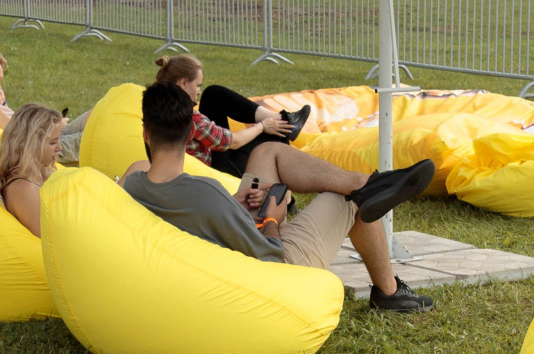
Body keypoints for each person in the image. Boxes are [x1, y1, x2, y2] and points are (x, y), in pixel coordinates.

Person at [123, 82, 438, 313]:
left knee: (267, 151)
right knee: (347, 198)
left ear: (144, 133)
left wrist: (235, 203)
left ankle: (369, 182)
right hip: (274, 270)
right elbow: (271, 255)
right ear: (191, 133)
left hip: (225, 248)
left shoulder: (133, 182)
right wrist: (273, 217)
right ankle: (389, 292)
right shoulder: (204, 193)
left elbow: (192, 220)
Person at [151, 53, 309, 177]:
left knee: (213, 94)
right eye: (197, 85)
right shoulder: (190, 118)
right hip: (216, 170)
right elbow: (234, 142)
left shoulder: (158, 106)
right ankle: (285, 198)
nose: (198, 91)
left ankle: (285, 120)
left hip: (202, 155)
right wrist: (263, 127)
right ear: (183, 83)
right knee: (277, 134)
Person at [0, 104, 63, 237]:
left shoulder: (40, 171)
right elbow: (50, 238)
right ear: (31, 144)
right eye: (53, 142)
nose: (59, 147)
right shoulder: (21, 189)